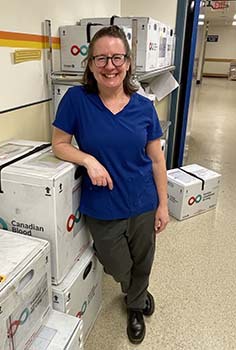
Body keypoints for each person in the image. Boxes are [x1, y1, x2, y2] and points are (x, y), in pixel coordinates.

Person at [52, 25, 169, 344]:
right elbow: (59, 144)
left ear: (129, 63)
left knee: (143, 259)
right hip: (102, 206)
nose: (110, 65)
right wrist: (88, 160)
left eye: (117, 57)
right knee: (116, 265)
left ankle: (135, 306)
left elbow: (157, 160)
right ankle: (136, 291)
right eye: (101, 58)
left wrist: (163, 204)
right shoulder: (77, 99)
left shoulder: (144, 106)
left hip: (143, 202)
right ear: (90, 64)